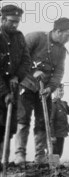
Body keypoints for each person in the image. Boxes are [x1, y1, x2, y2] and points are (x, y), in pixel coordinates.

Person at [15, 17, 69, 166]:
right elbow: (19, 57)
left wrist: (50, 88)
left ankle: (40, 156)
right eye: (67, 35)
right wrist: (32, 71)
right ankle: (19, 154)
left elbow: (59, 72)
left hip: (44, 90)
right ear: (58, 31)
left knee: (42, 122)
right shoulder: (35, 38)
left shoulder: (61, 50)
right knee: (23, 119)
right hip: (26, 84)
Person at [0, 4, 30, 162]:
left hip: (13, 87)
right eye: (12, 21)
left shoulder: (19, 37)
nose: (15, 24)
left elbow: (26, 61)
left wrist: (16, 77)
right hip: (2, 88)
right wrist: (4, 93)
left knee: (9, 127)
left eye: (17, 21)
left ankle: (3, 162)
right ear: (3, 19)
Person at [49, 84, 69, 158]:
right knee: (54, 153)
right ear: (54, 92)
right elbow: (51, 121)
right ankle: (51, 168)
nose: (62, 92)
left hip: (61, 133)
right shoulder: (53, 104)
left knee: (59, 153)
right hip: (55, 134)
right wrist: (52, 136)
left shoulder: (63, 104)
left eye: (62, 90)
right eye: (60, 90)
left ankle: (55, 167)